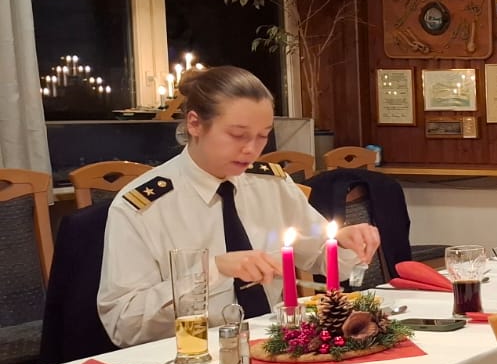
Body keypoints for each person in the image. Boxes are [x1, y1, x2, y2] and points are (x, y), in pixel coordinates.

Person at [99, 66, 381, 346]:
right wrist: (213, 270)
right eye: (237, 135)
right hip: (192, 353)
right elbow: (124, 324)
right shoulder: (144, 207)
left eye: (263, 136)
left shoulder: (270, 185)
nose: (251, 149)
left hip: (274, 344)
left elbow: (321, 257)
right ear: (194, 124)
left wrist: (344, 243)